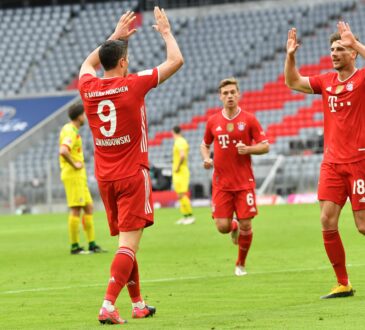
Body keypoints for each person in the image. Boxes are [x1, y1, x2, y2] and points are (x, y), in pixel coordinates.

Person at [78, 8, 183, 324]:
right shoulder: (133, 84)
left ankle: (137, 303)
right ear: (123, 63)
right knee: (128, 245)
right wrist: (165, 32)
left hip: (106, 179)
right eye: (125, 57)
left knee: (127, 242)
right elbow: (176, 61)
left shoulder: (89, 88)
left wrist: (114, 37)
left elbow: (87, 64)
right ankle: (108, 305)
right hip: (133, 175)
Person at [284, 22, 365, 299]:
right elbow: (292, 81)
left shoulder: (361, 79)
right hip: (331, 164)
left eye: (340, 49)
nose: (334, 53)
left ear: (352, 54)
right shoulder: (325, 82)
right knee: (327, 220)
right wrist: (291, 55)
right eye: (332, 49)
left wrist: (355, 43)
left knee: (363, 225)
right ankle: (343, 282)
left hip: (359, 163)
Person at [200, 77, 269, 276]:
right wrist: (206, 158)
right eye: (225, 93)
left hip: (244, 182)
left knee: (248, 223)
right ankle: (233, 226)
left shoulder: (249, 119)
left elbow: (265, 145)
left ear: (238, 94)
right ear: (220, 97)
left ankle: (240, 264)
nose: (229, 96)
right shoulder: (213, 121)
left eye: (232, 92)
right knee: (222, 227)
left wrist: (248, 149)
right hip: (221, 183)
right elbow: (204, 144)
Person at [59, 103, 105, 255]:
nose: (85, 117)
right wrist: (75, 164)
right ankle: (75, 247)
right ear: (79, 116)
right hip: (73, 175)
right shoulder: (70, 131)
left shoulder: (71, 129)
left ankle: (91, 244)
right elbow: (63, 150)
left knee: (89, 207)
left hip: (78, 176)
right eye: (84, 114)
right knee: (76, 209)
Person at [172, 125, 195, 225]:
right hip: (179, 172)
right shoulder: (180, 141)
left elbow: (182, 155)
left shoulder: (180, 141)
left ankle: (190, 216)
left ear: (173, 132)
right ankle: (185, 216)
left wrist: (177, 167)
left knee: (182, 195)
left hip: (181, 171)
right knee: (179, 195)